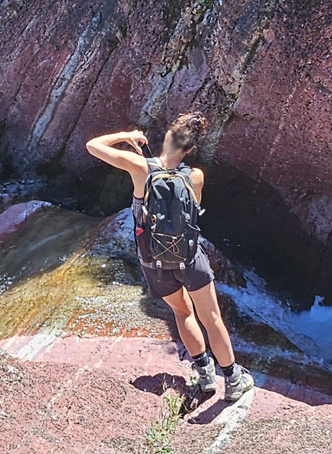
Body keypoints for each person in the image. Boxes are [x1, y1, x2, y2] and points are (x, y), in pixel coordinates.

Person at [85, 112, 254, 401]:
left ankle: (204, 374)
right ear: (190, 149)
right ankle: (234, 379)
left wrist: (125, 137)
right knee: (212, 318)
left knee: (182, 311)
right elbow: (192, 213)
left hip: (155, 261)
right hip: (190, 258)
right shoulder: (196, 176)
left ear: (166, 137)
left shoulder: (140, 167)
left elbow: (93, 145)